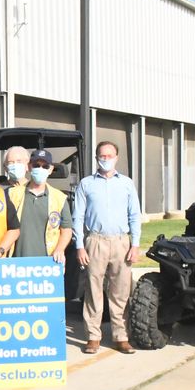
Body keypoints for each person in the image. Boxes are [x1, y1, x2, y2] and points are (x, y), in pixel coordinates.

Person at [72, 140, 142, 355]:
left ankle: (121, 336)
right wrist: (79, 246)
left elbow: (134, 215)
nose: (105, 159)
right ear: (96, 158)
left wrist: (136, 244)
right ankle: (93, 336)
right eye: (102, 156)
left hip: (121, 241)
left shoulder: (127, 183)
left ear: (116, 158)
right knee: (93, 290)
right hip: (95, 241)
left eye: (109, 155)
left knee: (120, 290)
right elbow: (78, 216)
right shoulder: (86, 184)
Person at [9, 149, 73, 263]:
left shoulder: (59, 198)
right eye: (36, 165)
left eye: (45, 166)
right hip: (15, 263)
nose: (40, 169)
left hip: (46, 264)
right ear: (29, 167)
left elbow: (66, 230)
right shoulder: (12, 194)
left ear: (51, 169)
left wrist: (59, 250)